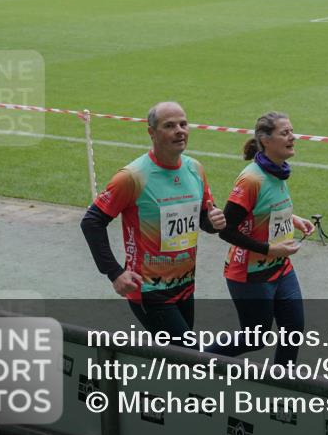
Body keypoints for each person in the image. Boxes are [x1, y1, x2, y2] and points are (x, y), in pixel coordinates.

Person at [81, 102, 225, 339]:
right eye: (169, 126)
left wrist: (214, 222)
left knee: (179, 359)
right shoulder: (132, 177)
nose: (180, 130)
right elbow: (91, 222)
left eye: (183, 124)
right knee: (187, 355)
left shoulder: (195, 169)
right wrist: (115, 273)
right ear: (151, 132)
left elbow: (204, 218)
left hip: (186, 284)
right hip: (149, 289)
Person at [214, 112, 314, 365]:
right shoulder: (251, 179)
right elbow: (226, 229)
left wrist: (293, 219)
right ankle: (194, 360)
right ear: (265, 140)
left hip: (280, 269)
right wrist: (270, 249)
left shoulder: (278, 171)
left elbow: (265, 209)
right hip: (250, 275)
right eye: (285, 133)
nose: (293, 137)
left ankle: (282, 393)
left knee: (293, 331)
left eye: (292, 131)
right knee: (254, 339)